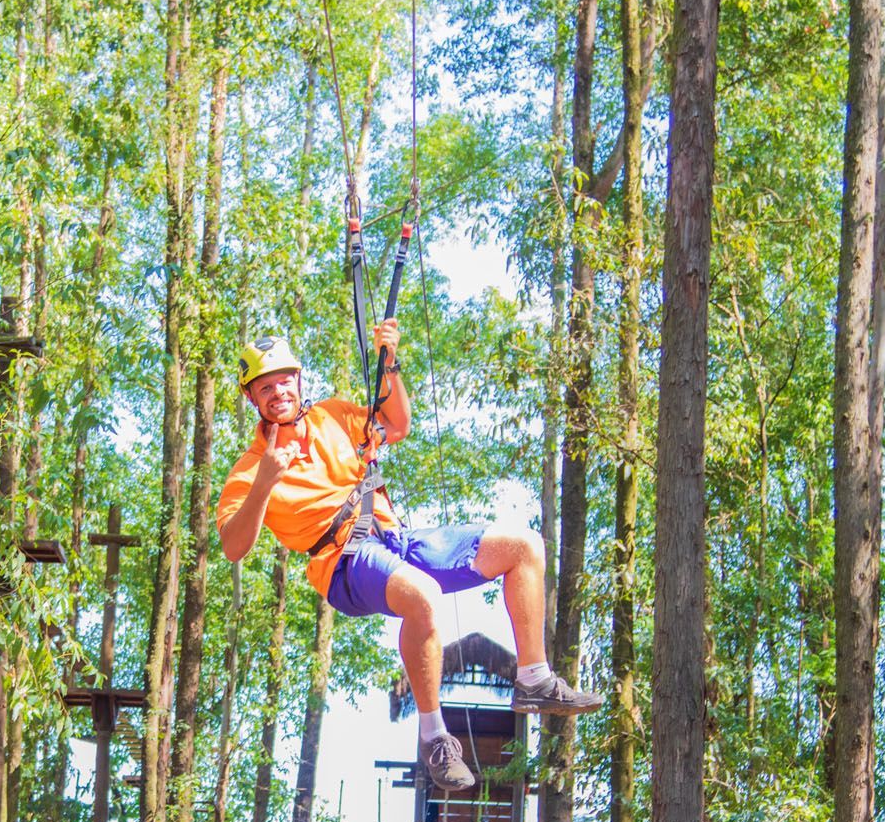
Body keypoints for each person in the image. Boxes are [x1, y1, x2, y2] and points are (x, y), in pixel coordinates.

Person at [217, 322, 602, 790]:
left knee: (524, 547)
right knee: (423, 594)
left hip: (394, 539)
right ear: (252, 399)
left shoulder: (334, 417)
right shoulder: (249, 469)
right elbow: (234, 546)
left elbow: (397, 424)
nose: (278, 392)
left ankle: (535, 677)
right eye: (265, 387)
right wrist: (265, 483)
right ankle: (435, 737)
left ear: (299, 381)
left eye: (284, 381)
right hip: (344, 563)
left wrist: (390, 361)